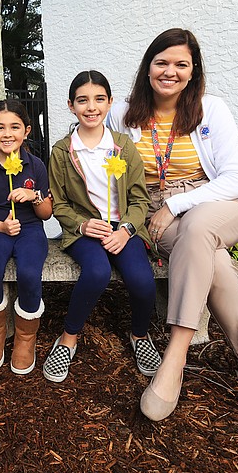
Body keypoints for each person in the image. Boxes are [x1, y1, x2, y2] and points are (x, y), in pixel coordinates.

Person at [106, 28, 238, 422]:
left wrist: (178, 203)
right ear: (148, 67)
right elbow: (94, 157)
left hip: (217, 201)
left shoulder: (212, 109)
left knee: (201, 226)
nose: (170, 71)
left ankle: (175, 356)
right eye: (162, 62)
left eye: (180, 64)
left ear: (193, 71)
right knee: (215, 261)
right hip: (155, 209)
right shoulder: (122, 112)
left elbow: (237, 178)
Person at [43, 70, 161, 384]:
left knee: (142, 280)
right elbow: (60, 203)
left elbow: (140, 198)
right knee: (97, 272)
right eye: (82, 100)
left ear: (109, 103)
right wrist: (82, 226)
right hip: (86, 229)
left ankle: (139, 335)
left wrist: (127, 229)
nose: (91, 107)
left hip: (123, 228)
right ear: (71, 105)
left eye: (99, 99)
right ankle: (68, 338)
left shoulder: (123, 146)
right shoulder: (62, 151)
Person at [0, 99, 53, 374]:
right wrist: (1, 227)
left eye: (15, 127)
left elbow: (46, 214)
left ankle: (26, 335)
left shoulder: (36, 165)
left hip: (30, 230)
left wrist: (34, 195)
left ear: (27, 131)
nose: (7, 134)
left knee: (30, 273)